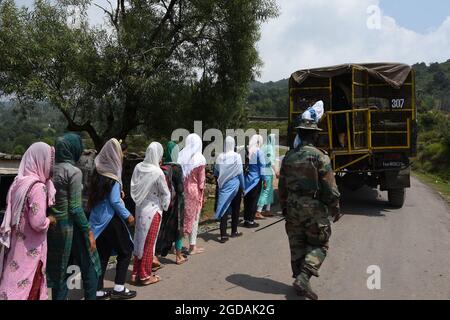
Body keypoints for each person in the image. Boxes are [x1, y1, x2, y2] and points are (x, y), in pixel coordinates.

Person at [278, 103, 342, 300]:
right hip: (313, 208)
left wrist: (285, 208)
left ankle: (299, 279)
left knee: (296, 244)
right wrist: (335, 207)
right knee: (320, 244)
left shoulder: (288, 157)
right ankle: (304, 278)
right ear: (314, 135)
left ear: (299, 133)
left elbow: (282, 187)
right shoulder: (320, 157)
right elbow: (330, 187)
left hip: (293, 207)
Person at [47, 133, 101, 300]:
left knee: (60, 273)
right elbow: (76, 208)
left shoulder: (49, 169)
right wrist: (88, 231)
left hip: (53, 226)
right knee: (90, 266)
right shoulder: (74, 172)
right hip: (71, 227)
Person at [0, 142, 57, 300]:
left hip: (16, 248)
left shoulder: (18, 183)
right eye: (49, 160)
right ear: (41, 160)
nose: (51, 165)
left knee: (12, 282)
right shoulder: (38, 187)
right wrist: (50, 220)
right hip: (31, 252)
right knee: (28, 288)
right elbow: (38, 223)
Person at [87, 138, 136, 300]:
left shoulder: (96, 174)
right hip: (110, 219)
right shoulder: (113, 177)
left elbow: (103, 196)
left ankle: (98, 290)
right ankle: (119, 287)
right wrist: (128, 215)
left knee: (102, 254)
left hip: (97, 221)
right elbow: (114, 201)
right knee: (126, 249)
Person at [130, 142, 170, 285]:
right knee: (149, 243)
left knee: (139, 240)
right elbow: (165, 192)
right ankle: (145, 275)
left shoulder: (138, 167)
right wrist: (165, 205)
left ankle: (135, 273)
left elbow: (133, 186)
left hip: (140, 209)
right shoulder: (157, 172)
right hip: (153, 210)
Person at [155, 141, 188, 265]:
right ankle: (178, 256)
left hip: (165, 202)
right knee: (178, 228)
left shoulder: (163, 166)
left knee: (163, 227)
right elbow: (180, 189)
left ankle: (156, 255)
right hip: (177, 203)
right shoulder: (177, 167)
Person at [178, 133, 206, 255]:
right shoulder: (200, 159)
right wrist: (202, 194)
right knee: (194, 218)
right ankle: (192, 246)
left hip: (182, 190)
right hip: (194, 192)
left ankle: (176, 246)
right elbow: (201, 181)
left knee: (181, 217)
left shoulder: (181, 155)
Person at [214, 136, 245, 243]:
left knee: (224, 209)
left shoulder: (219, 157)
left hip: (223, 186)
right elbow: (240, 173)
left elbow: (216, 172)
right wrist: (243, 186)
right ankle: (234, 231)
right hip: (235, 186)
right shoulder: (237, 156)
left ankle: (223, 235)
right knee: (236, 209)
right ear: (233, 144)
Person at [242, 134, 268, 228]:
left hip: (246, 178)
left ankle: (246, 219)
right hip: (256, 179)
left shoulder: (247, 150)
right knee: (253, 200)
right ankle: (250, 221)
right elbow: (262, 166)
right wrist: (265, 180)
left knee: (247, 199)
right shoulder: (259, 152)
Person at [256, 134, 278, 218]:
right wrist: (276, 171)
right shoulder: (270, 148)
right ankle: (258, 211)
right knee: (265, 191)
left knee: (269, 191)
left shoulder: (264, 146)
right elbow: (270, 161)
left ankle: (267, 210)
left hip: (265, 172)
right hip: (267, 172)